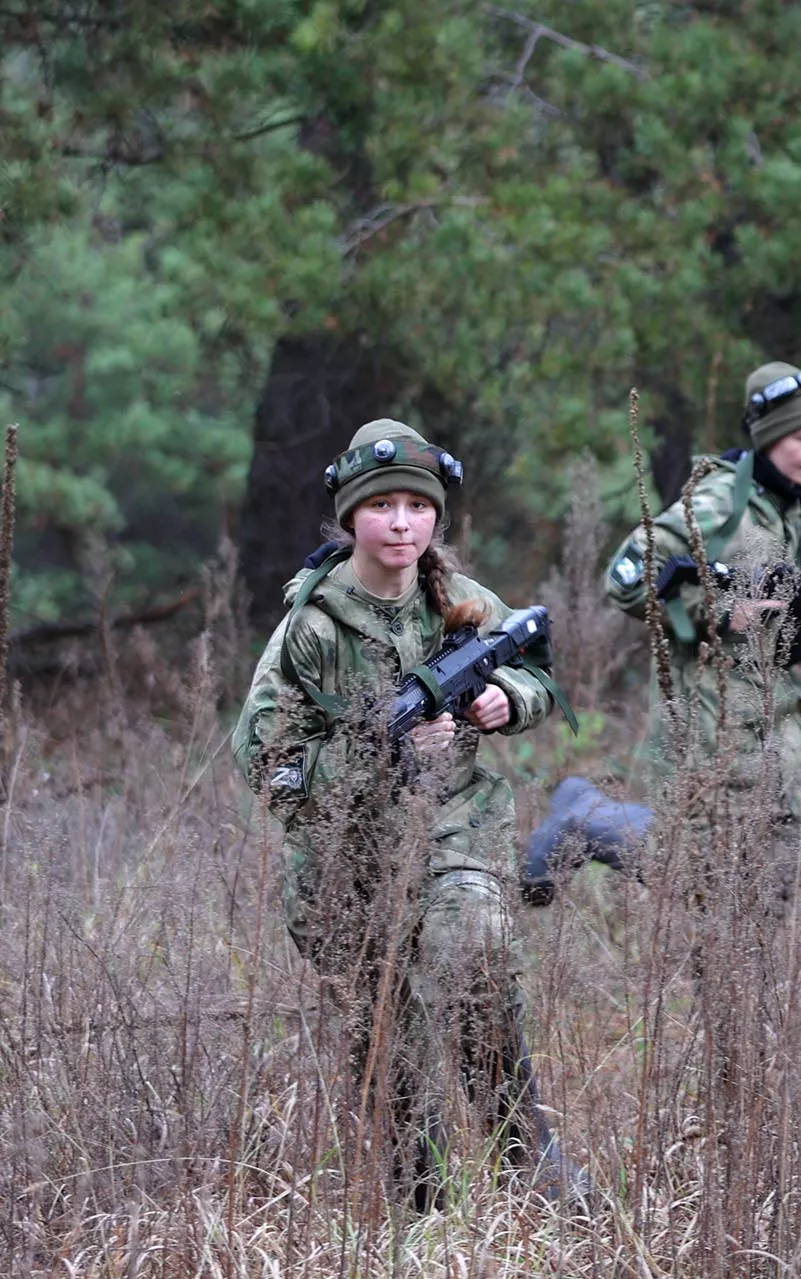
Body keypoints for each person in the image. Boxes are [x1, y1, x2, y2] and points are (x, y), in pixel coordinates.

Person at [232, 419, 583, 1209]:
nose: (401, 523)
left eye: (416, 507)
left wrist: (504, 699)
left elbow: (532, 662)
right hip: (345, 861)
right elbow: (269, 770)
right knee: (383, 1037)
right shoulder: (310, 630)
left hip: (454, 819)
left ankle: (528, 1157)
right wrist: (378, 749)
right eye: (382, 505)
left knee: (473, 948)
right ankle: (422, 1203)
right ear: (349, 517)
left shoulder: (459, 599)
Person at [601, 362, 801, 905]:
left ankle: (748, 989)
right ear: (770, 439)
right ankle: (594, 824)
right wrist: (720, 612)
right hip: (709, 713)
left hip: (778, 716)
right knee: (711, 880)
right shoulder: (718, 504)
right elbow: (627, 580)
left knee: (776, 874)